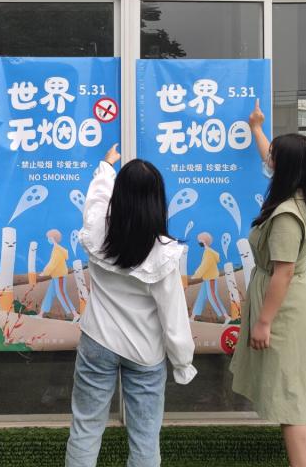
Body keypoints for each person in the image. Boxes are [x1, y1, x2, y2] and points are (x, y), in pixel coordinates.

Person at [66, 144, 196, 467]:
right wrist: (183, 363)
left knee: (85, 428)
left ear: (119, 197)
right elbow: (174, 318)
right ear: (157, 201)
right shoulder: (164, 252)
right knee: (145, 438)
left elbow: (96, 198)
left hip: (97, 341)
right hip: (145, 352)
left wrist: (106, 167)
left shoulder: (98, 229)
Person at [229, 98, 306, 467]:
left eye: (276, 158)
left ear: (286, 168)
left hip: (284, 310)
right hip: (292, 302)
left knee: (289, 397)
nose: (269, 159)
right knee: (297, 390)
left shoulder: (286, 215)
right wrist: (256, 127)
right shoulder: (300, 197)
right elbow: (268, 156)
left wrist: (264, 322)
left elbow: (283, 272)